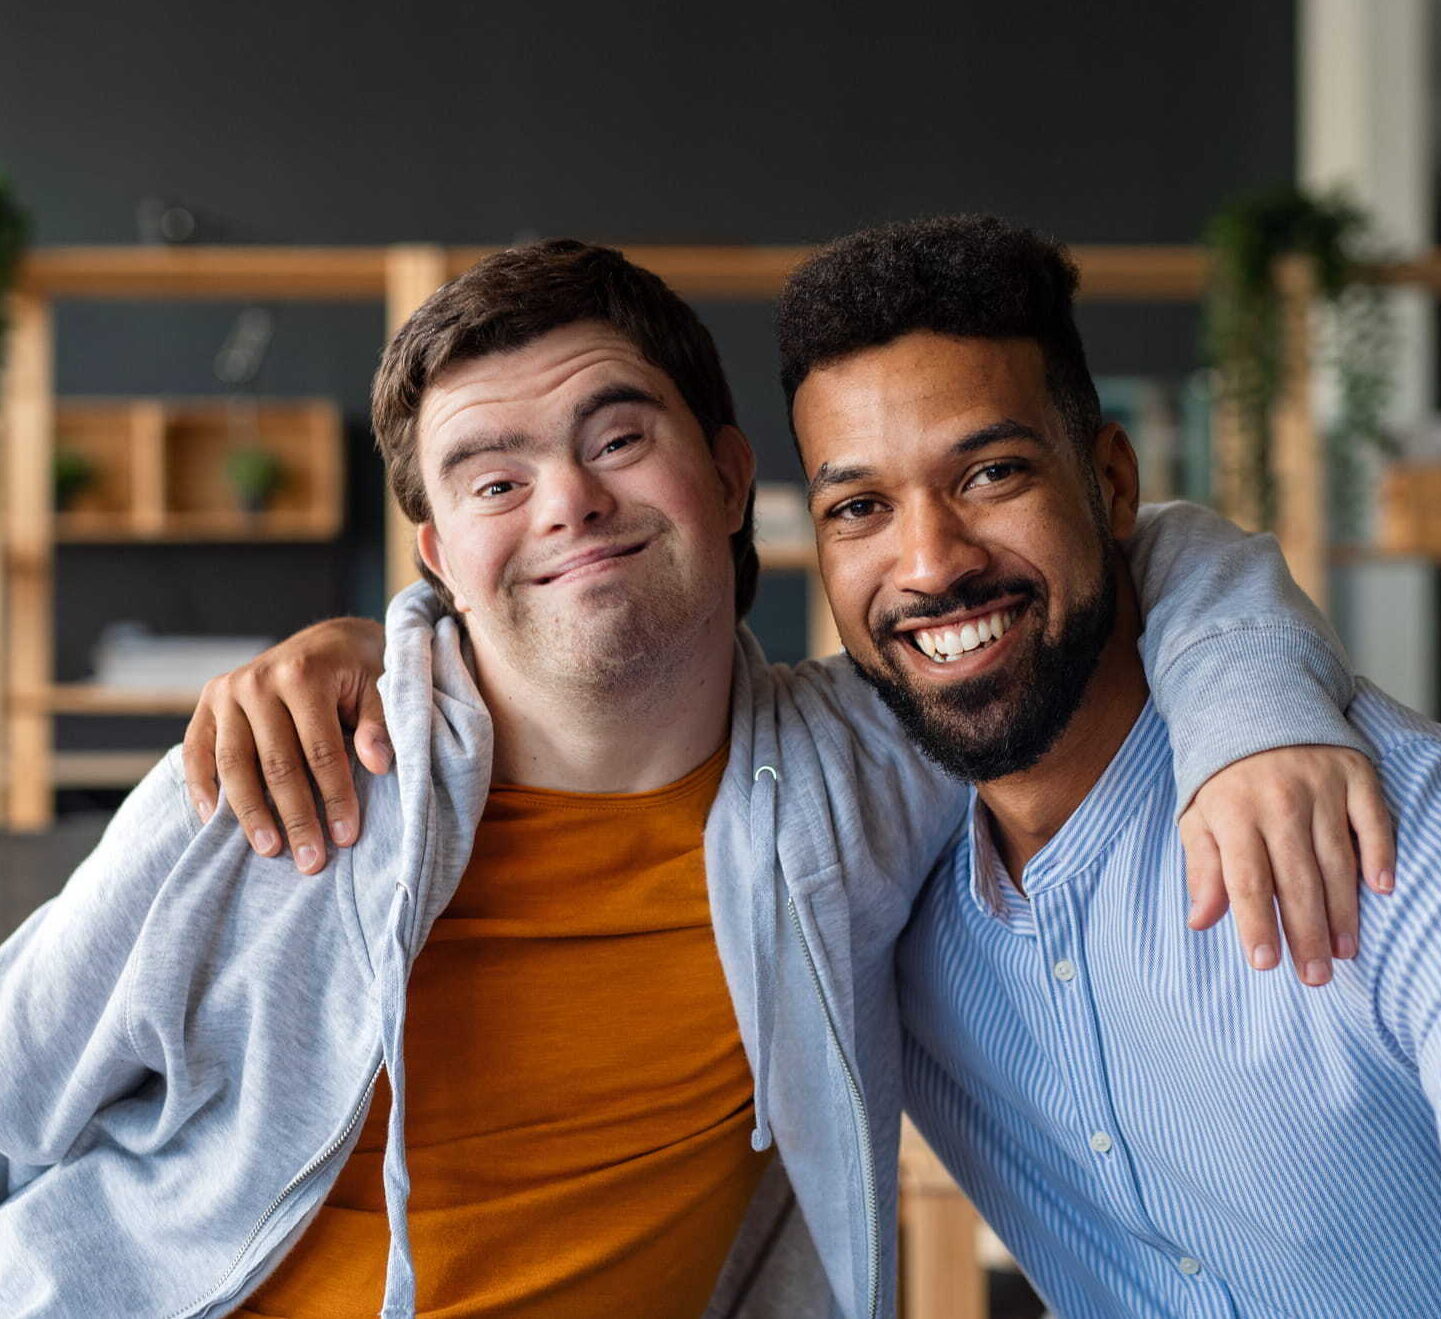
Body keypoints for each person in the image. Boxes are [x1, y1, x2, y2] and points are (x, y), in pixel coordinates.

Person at [0, 233, 1388, 1319]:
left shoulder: (866, 768)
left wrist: (1254, 714)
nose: (567, 504)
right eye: (491, 481)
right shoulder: (275, 783)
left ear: (729, 479)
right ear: (436, 558)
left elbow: (1134, 552)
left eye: (616, 439)